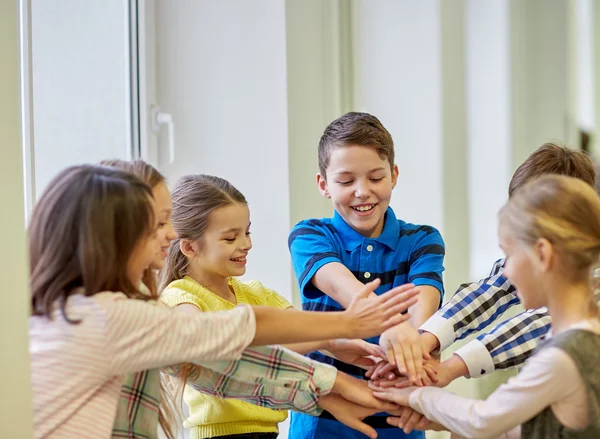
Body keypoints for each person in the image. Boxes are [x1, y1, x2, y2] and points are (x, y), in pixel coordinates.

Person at [372, 174, 600, 438]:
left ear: (542, 254)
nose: (506, 273)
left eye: (509, 256)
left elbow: (483, 420)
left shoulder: (563, 355)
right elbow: (534, 428)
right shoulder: (580, 335)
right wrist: (443, 418)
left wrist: (417, 396)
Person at [288, 112, 445, 439]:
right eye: (346, 181)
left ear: (394, 175)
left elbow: (423, 309)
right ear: (324, 185)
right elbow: (338, 283)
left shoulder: (421, 240)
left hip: (399, 420)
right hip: (322, 419)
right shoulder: (310, 235)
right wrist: (394, 324)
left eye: (375, 178)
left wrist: (413, 339)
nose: (362, 192)